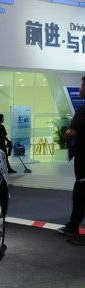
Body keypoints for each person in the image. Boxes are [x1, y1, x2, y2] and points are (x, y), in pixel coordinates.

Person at [60, 76, 85, 237]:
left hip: (83, 159)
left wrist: (66, 133)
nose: (80, 89)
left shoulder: (82, 112)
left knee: (80, 192)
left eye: (82, 86)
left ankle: (73, 226)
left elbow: (71, 133)